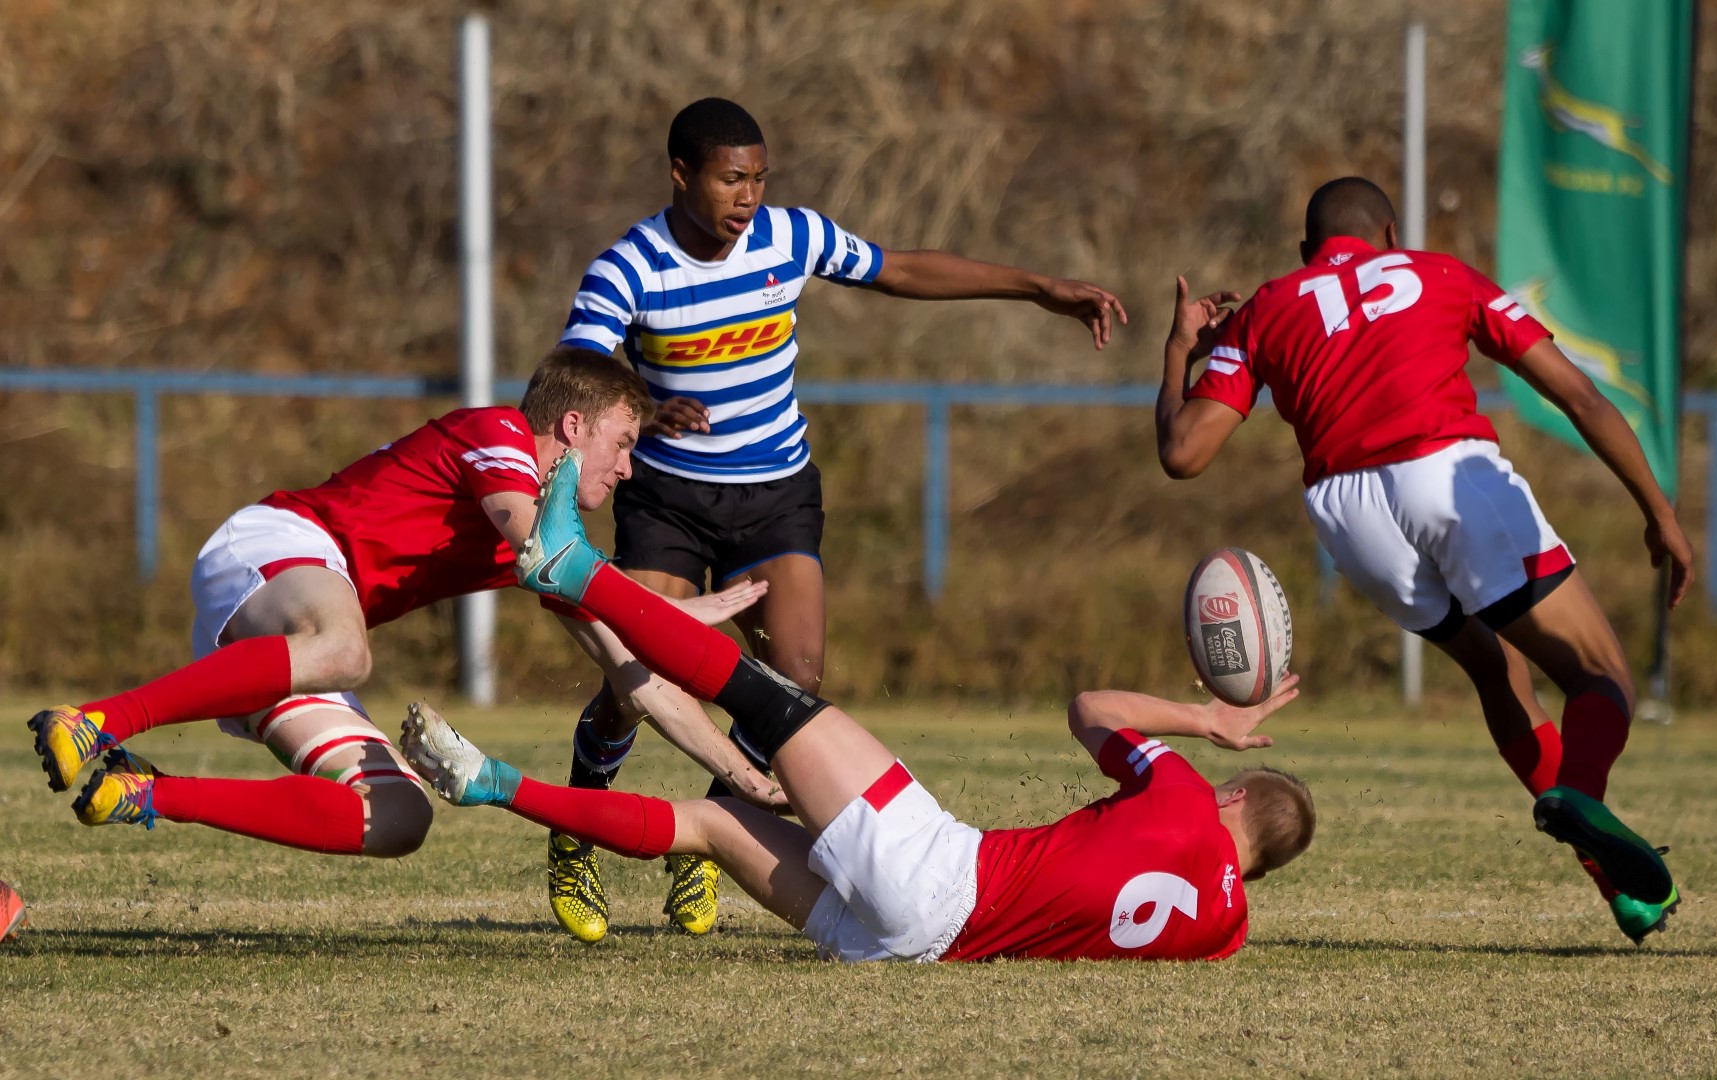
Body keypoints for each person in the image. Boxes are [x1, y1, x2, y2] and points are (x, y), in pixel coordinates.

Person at [548, 96, 1133, 940]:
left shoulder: (790, 238)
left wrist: (1039, 288)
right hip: (668, 498)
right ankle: (577, 825)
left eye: (759, 178)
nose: (749, 196)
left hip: (776, 493)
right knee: (635, 680)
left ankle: (716, 835)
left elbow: (900, 269)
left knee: (794, 677)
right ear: (680, 174)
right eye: (731, 179)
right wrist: (644, 404)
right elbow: (576, 367)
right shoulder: (629, 268)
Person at [1154, 176, 1695, 943]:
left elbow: (1183, 454)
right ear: (1390, 236)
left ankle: (1623, 890)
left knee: (1496, 668)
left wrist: (1180, 348)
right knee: (1598, 675)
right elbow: (1581, 397)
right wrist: (1659, 513)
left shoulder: (1269, 307)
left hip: (1348, 514)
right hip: (1446, 474)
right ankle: (1579, 794)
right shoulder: (1440, 273)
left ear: (1307, 251)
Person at [27, 347, 786, 855]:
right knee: (345, 651)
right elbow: (553, 554)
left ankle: (146, 792)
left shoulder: (542, 545)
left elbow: (638, 680)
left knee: (397, 817)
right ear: (572, 425)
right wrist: (661, 612)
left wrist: (746, 780)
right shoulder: (499, 437)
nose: (627, 469)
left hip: (292, 640)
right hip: (274, 548)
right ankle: (94, 720)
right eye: (622, 443)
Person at [399, 665, 1312, 963]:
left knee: (770, 700)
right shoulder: (1225, 931)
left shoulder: (1186, 796)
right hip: (905, 948)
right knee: (710, 827)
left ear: (1234, 796)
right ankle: (493, 782)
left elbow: (1090, 708)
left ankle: (577, 573)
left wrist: (1205, 720)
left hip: (938, 876)